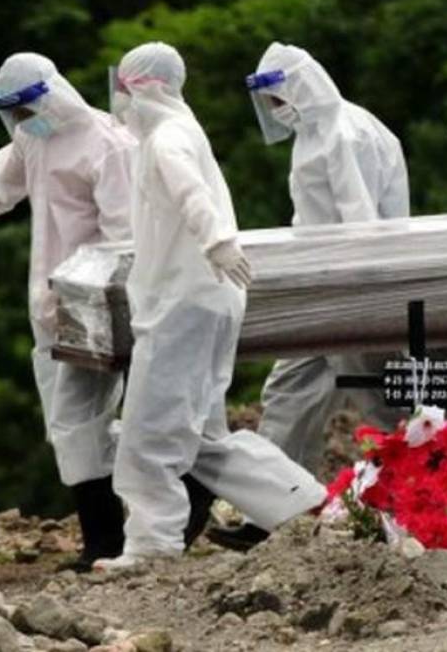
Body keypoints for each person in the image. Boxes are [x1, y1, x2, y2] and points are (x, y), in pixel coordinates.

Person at [0, 51, 194, 571]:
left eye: (25, 107)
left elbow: (124, 237)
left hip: (100, 307)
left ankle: (136, 534)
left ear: (52, 93)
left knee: (118, 419)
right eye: (11, 111)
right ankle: (110, 537)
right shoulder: (34, 140)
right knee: (72, 427)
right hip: (52, 308)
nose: (20, 119)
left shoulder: (107, 144)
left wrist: (112, 308)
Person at [102, 41, 326, 568]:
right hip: (205, 299)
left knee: (147, 433)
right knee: (203, 437)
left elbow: (189, 191)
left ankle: (152, 544)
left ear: (141, 88)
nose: (116, 100)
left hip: (184, 302)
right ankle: (310, 504)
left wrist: (217, 240)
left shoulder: (167, 138)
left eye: (121, 88)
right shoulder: (179, 128)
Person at [208, 42, 410, 551]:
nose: (275, 109)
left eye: (279, 96)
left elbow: (359, 225)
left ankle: (414, 516)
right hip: (320, 290)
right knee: (289, 396)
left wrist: (347, 297)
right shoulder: (315, 133)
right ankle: (272, 516)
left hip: (356, 291)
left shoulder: (345, 134)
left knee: (383, 408)